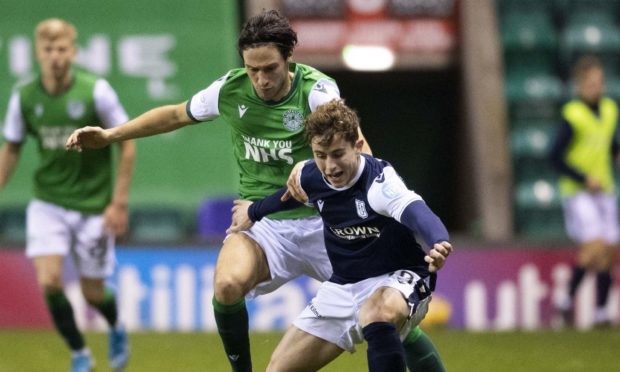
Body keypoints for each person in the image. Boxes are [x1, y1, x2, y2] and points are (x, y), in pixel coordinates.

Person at [66, 9, 446, 371]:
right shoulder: (230, 91)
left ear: (289, 59)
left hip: (326, 224)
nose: (261, 79)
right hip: (264, 221)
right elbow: (175, 114)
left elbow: (355, 147)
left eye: (269, 69)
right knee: (228, 284)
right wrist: (112, 134)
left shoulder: (317, 92)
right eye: (252, 70)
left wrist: (365, 203)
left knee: (391, 320)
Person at [227, 99, 453, 371]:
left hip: (400, 276)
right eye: (321, 155)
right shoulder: (312, 175)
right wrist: (254, 211)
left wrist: (438, 240)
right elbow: (289, 197)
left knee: (377, 312)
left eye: (337, 154)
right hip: (344, 287)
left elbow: (418, 212)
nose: (330, 166)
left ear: (357, 147)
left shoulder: (379, 182)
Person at [0, 18, 135, 372]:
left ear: (73, 52)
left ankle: (116, 326)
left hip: (93, 205)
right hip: (48, 202)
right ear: (37, 53)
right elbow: (11, 147)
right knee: (49, 281)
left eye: (62, 49)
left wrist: (118, 202)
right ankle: (79, 351)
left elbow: (127, 141)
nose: (55, 57)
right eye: (48, 50)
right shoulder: (25, 97)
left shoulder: (96, 91)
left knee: (93, 294)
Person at [550, 55, 619, 328]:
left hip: (606, 189)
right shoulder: (572, 115)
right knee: (596, 245)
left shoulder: (611, 109)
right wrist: (582, 177)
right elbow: (555, 156)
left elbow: (609, 142)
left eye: (599, 81)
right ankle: (566, 301)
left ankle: (600, 312)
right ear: (580, 84)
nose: (596, 86)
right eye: (591, 82)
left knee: (609, 251)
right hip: (579, 192)